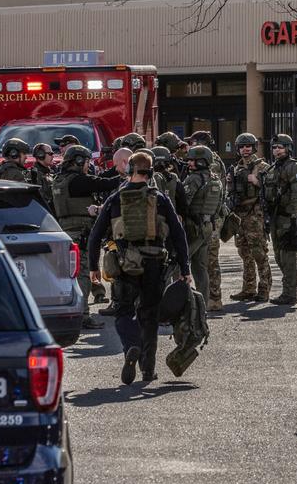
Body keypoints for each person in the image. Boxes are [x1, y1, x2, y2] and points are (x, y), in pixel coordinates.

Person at [87, 151, 192, 385]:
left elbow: (95, 235)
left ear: (130, 169)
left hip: (125, 263)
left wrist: (93, 266)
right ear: (151, 172)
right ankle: (147, 369)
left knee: (124, 311)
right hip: (155, 264)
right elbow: (178, 234)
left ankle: (131, 345)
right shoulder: (161, 199)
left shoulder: (115, 198)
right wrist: (185, 268)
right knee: (150, 316)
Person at [52, 145, 125, 330]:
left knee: (69, 276)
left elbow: (97, 180)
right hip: (80, 233)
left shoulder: (60, 179)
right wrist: (126, 175)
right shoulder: (78, 181)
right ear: (78, 161)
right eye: (86, 162)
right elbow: (101, 183)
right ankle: (83, 315)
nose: (88, 165)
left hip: (66, 232)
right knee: (83, 274)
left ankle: (70, 312)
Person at [262, 134, 297, 305]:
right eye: (274, 147)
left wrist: (290, 212)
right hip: (276, 217)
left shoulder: (294, 167)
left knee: (288, 256)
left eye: (280, 147)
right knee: (278, 256)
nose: (277, 150)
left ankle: (290, 293)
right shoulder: (273, 168)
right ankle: (288, 289)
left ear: (288, 148)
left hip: (288, 218)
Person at [228, 133, 272, 302]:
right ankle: (248, 288)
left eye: (248, 146)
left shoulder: (261, 167)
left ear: (253, 147)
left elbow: (271, 189)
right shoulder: (235, 168)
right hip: (240, 214)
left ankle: (264, 288)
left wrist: (257, 181)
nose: (245, 149)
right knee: (244, 252)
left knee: (259, 253)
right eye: (242, 146)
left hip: (255, 214)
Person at [188, 130, 227, 310]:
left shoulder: (205, 170)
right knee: (202, 264)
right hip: (209, 220)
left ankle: (212, 298)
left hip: (201, 221)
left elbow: (187, 199)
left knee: (206, 260)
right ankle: (206, 300)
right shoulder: (212, 172)